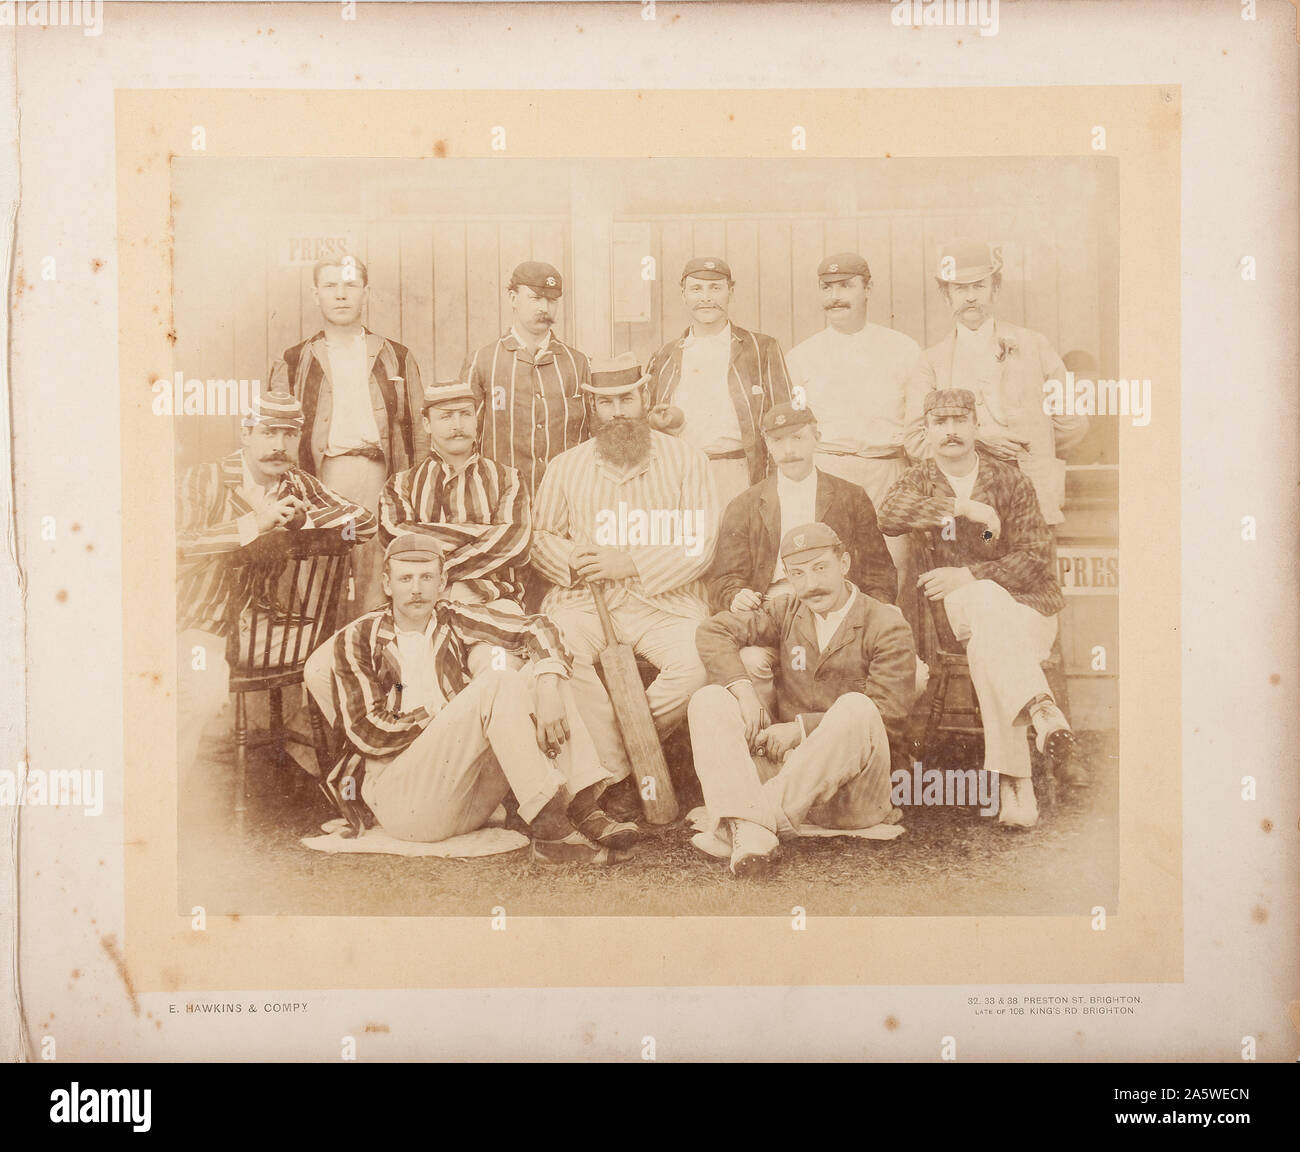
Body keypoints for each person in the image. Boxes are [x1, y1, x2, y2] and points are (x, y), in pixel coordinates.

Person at [326, 533, 639, 863]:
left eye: (427, 577)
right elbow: (365, 733)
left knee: (542, 671)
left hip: (464, 801)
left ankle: (582, 807)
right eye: (406, 578)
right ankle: (552, 829)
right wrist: (441, 718)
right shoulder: (357, 638)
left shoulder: (452, 617)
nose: (416, 589)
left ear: (442, 581)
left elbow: (540, 628)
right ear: (388, 584)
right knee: (497, 681)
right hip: (402, 803)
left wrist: (547, 686)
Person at [530, 355, 719, 816]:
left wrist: (629, 562)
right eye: (606, 403)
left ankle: (623, 757)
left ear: (645, 398)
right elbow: (539, 538)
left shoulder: (687, 460)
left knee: (699, 663)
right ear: (592, 408)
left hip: (665, 601)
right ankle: (617, 773)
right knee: (559, 650)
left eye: (626, 399)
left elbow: (701, 542)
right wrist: (574, 557)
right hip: (586, 601)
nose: (617, 412)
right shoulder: (566, 465)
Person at [878, 388, 1075, 828]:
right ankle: (1039, 710)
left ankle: (1014, 783)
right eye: (940, 423)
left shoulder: (1010, 479)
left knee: (991, 642)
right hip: (955, 616)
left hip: (1029, 609)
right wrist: (964, 508)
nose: (951, 432)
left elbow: (1035, 557)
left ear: (975, 426)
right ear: (926, 431)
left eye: (960, 422)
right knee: (985, 610)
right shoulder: (920, 479)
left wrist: (969, 575)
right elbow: (889, 515)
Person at [688, 523, 916, 878]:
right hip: (791, 775)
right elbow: (713, 631)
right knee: (709, 699)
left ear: (845, 564)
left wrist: (799, 730)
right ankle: (758, 829)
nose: (811, 584)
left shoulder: (885, 623)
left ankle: (746, 822)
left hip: (853, 791)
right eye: (798, 574)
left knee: (858, 706)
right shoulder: (788, 610)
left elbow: (888, 716)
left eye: (820, 568)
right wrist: (744, 692)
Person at [175, 391, 377, 777]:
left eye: (289, 435)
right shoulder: (206, 477)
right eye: (269, 433)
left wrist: (307, 522)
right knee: (201, 695)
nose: (279, 446)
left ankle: (345, 780)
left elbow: (363, 522)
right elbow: (177, 547)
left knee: (343, 658)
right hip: (198, 621)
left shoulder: (295, 483)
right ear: (246, 434)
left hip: (262, 630)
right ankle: (166, 803)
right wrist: (255, 524)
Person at [706, 401, 898, 714]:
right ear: (767, 445)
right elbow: (723, 578)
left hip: (836, 612)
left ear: (816, 438)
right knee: (751, 662)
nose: (789, 449)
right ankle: (766, 748)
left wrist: (876, 614)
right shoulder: (745, 504)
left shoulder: (850, 496)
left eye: (797, 438)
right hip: (772, 616)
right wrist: (734, 595)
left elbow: (880, 571)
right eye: (778, 441)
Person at [269, 255, 426, 613]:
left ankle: (370, 653)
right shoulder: (294, 360)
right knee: (317, 574)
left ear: (365, 293)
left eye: (351, 285)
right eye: (331, 286)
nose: (341, 295)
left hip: (379, 475)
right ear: (316, 294)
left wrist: (409, 488)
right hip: (319, 478)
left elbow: (418, 430)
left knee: (375, 571)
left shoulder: (396, 357)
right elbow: (276, 432)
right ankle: (317, 657)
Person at [903, 240, 1088, 526]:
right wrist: (979, 441)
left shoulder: (1035, 346)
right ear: (946, 296)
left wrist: (1033, 444)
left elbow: (1072, 422)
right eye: (960, 289)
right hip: (967, 506)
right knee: (973, 569)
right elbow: (915, 441)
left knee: (1031, 567)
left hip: (1033, 497)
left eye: (979, 286)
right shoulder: (931, 362)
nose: (970, 298)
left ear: (996, 289)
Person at [784, 252, 921, 573]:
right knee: (828, 566)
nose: (835, 297)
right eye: (827, 288)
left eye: (845, 286)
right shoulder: (802, 356)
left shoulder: (903, 349)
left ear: (867, 288)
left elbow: (918, 425)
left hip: (887, 471)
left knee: (892, 568)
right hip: (829, 469)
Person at [644, 256, 793, 512]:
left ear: (730, 292)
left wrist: (777, 483)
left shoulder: (762, 348)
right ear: (683, 295)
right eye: (696, 289)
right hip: (680, 475)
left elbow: (786, 421)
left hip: (739, 473)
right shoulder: (664, 356)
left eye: (715, 288)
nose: (706, 298)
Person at [462, 260, 591, 501]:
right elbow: (465, 439)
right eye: (534, 298)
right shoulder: (482, 361)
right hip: (501, 502)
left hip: (567, 501)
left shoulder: (579, 363)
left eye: (552, 300)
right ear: (513, 298)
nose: (544, 307)